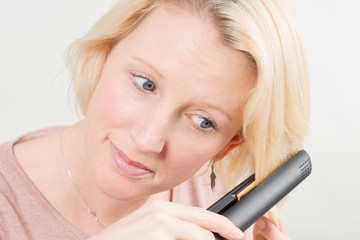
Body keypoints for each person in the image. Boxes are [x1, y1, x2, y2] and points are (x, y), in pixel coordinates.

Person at [0, 0, 309, 239]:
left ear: (229, 144)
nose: (148, 141)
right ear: (104, 55)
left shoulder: (222, 211)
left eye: (202, 121)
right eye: (145, 84)